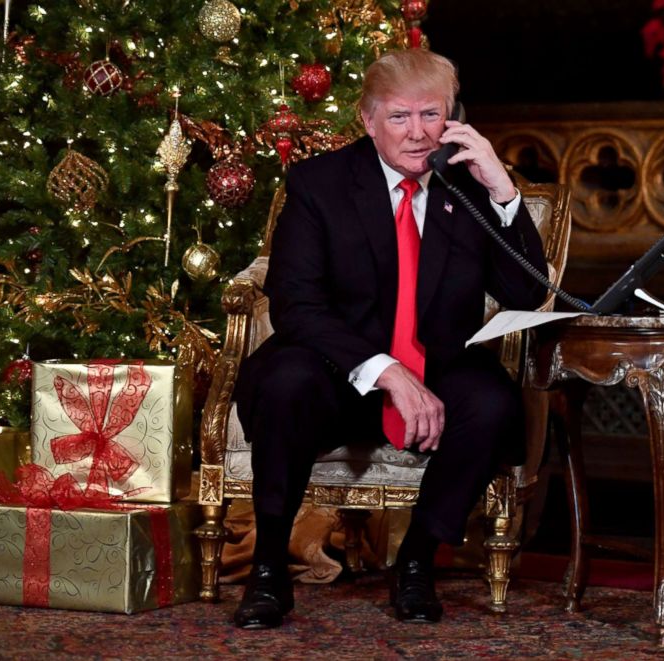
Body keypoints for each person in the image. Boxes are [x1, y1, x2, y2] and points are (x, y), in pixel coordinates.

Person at [231, 48, 548, 629]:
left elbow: (528, 295)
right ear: (367, 119)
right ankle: (269, 570)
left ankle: (417, 562)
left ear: (453, 118)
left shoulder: (469, 189)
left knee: (493, 402)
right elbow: (296, 303)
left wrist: (502, 188)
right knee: (284, 380)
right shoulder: (318, 183)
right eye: (399, 117)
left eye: (431, 115)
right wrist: (386, 370)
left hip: (438, 361)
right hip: (337, 367)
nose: (417, 133)